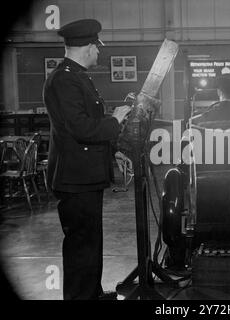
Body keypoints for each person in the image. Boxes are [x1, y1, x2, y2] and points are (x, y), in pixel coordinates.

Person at [43, 19, 131, 300]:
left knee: (90, 242)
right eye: (97, 47)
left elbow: (86, 124)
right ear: (88, 46)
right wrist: (115, 120)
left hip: (84, 175)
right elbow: (81, 128)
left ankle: (90, 293)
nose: (99, 53)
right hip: (75, 177)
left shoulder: (75, 75)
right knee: (82, 244)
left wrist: (114, 149)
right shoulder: (64, 79)